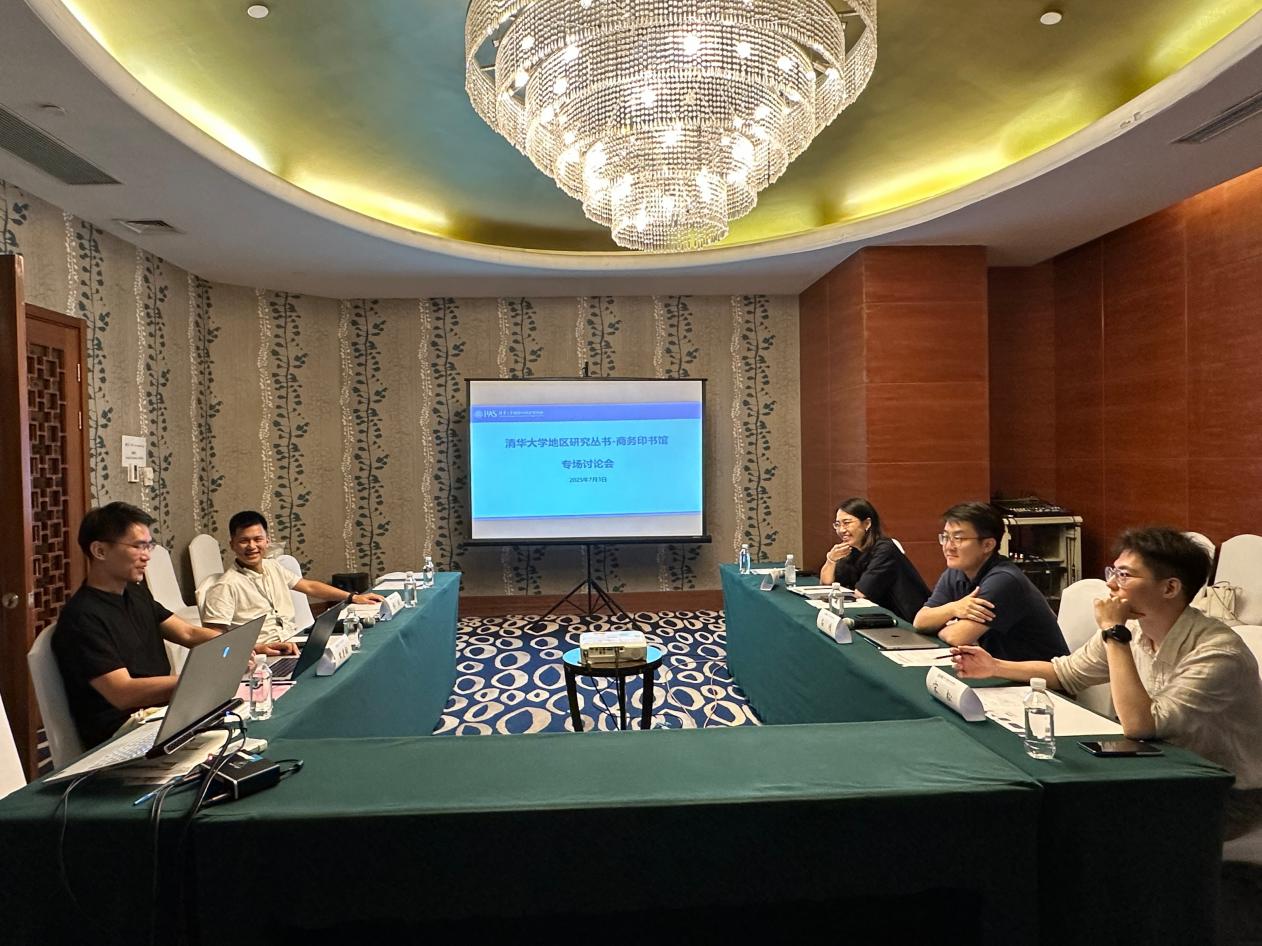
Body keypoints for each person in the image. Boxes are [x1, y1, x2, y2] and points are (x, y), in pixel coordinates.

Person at [952, 526, 1262, 840]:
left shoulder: (1216, 652)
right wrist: (994, 666)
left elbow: (1141, 725)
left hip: (1226, 793)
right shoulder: (1136, 629)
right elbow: (1067, 673)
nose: (1111, 584)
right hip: (1158, 767)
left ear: (1170, 588)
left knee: (1080, 822)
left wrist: (1114, 633)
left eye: (1125, 575)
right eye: (1112, 572)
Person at [53, 502, 296, 751]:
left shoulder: (135, 593)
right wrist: (205, 678)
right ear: (100, 551)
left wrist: (250, 647)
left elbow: (187, 633)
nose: (147, 555)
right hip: (124, 732)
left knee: (260, 723)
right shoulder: (82, 617)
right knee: (245, 736)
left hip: (165, 712)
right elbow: (124, 692)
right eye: (138, 546)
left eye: (149, 545)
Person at [913, 501, 1068, 660]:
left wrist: (941, 625)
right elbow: (920, 621)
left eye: (958, 538)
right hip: (998, 667)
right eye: (945, 537)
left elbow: (957, 637)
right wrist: (954, 608)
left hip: (1039, 672)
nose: (948, 546)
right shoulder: (956, 572)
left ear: (988, 545)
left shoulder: (1004, 580)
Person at [202, 510, 383, 645]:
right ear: (232, 545)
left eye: (257, 539)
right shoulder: (225, 586)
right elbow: (214, 638)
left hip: (293, 642)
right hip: (262, 656)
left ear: (267, 541)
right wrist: (256, 649)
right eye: (244, 541)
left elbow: (309, 587)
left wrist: (352, 597)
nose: (251, 546)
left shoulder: (272, 566)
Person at [818, 497, 930, 622]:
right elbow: (827, 586)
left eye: (847, 523)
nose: (841, 530)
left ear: (867, 524)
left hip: (907, 621)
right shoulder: (851, 550)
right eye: (838, 524)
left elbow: (861, 594)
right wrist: (831, 560)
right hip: (878, 617)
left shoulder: (885, 550)